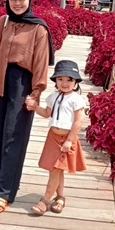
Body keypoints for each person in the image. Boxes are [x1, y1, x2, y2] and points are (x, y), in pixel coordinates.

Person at [0, 0, 54, 214]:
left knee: (15, 136)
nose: (17, 3)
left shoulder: (39, 29)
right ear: (7, 1)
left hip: (22, 84)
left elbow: (41, 64)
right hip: (2, 81)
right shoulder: (3, 22)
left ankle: (5, 192)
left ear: (30, 0)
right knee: (0, 134)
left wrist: (36, 93)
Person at [25, 59, 86, 215]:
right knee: (57, 170)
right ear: (55, 81)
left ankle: (45, 200)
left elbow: (78, 122)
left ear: (75, 81)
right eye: (60, 79)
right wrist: (34, 107)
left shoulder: (76, 99)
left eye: (69, 79)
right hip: (53, 136)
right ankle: (60, 197)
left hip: (67, 138)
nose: (64, 83)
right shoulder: (52, 97)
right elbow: (47, 114)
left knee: (55, 170)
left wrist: (69, 141)